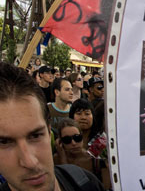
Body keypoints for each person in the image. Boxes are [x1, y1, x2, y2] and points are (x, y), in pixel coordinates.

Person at [0, 61, 104, 191]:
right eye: (4, 142)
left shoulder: (86, 182)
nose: (30, 162)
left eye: (36, 135)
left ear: (49, 132)